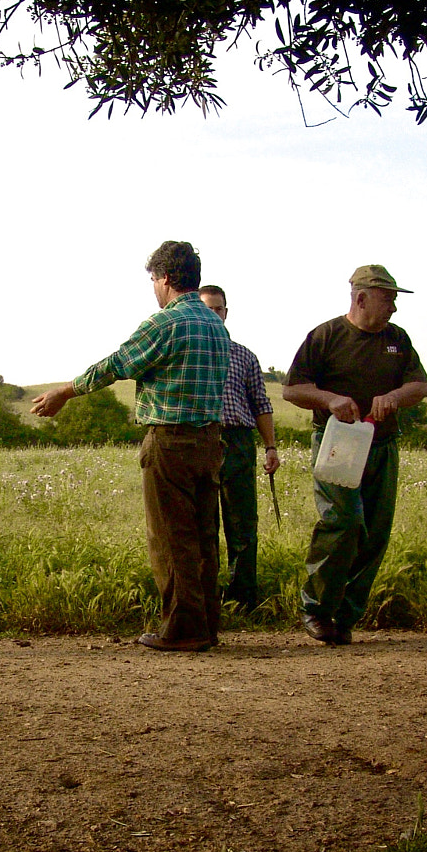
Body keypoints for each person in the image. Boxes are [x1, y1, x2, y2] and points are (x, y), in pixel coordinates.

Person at [33, 241, 229, 652]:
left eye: (154, 279)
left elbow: (117, 364)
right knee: (203, 538)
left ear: (167, 278)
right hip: (211, 441)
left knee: (171, 538)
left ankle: (182, 630)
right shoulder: (216, 325)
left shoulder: (165, 323)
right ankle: (207, 626)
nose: (154, 288)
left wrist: (65, 393)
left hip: (171, 441)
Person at [282, 264, 427, 645]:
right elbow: (293, 389)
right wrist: (330, 399)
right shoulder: (326, 336)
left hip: (381, 446)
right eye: (388, 299)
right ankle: (316, 609)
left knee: (375, 533)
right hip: (336, 444)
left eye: (396, 300)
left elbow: (420, 384)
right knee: (344, 523)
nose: (394, 308)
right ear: (361, 298)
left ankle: (345, 617)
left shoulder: (397, 339)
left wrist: (395, 397)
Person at [197, 285, 280, 610]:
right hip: (202, 440)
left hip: (239, 442)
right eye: (207, 309)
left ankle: (243, 600)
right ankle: (206, 600)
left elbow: (261, 403)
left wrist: (270, 447)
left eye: (218, 309)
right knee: (204, 525)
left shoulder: (244, 355)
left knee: (242, 524)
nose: (213, 314)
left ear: (226, 313)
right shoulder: (191, 354)